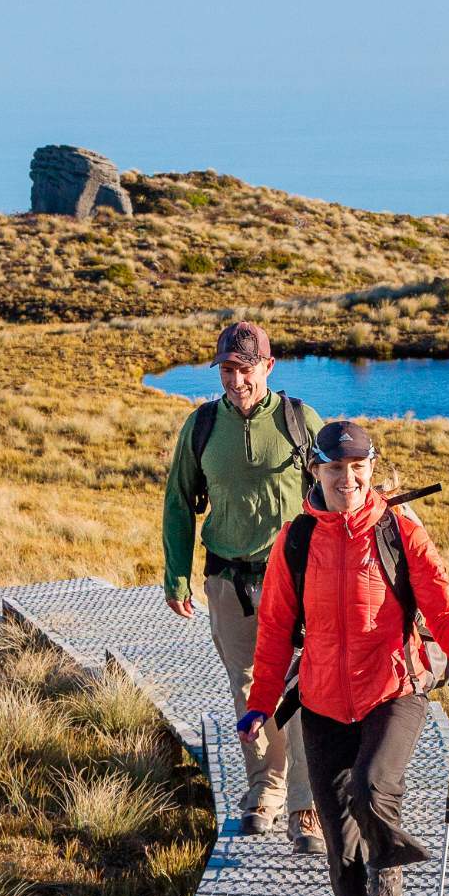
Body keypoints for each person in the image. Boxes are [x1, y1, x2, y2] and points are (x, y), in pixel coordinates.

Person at [240, 420, 449, 896]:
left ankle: (390, 869)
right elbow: (276, 628)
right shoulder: (296, 540)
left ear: (371, 468)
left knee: (373, 788)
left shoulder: (399, 532)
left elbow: (443, 600)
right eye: (335, 468)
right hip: (323, 702)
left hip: (393, 690)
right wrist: (259, 704)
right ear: (316, 471)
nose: (347, 478)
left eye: (357, 467)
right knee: (340, 843)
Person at [161, 321, 325, 852]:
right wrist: (177, 573)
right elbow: (179, 501)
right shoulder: (203, 425)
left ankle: (306, 805)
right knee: (250, 688)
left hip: (295, 584)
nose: (236, 381)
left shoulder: (301, 423)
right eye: (228, 370)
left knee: (300, 690)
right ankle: (265, 792)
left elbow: (339, 494)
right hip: (228, 582)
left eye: (246, 369)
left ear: (268, 367)